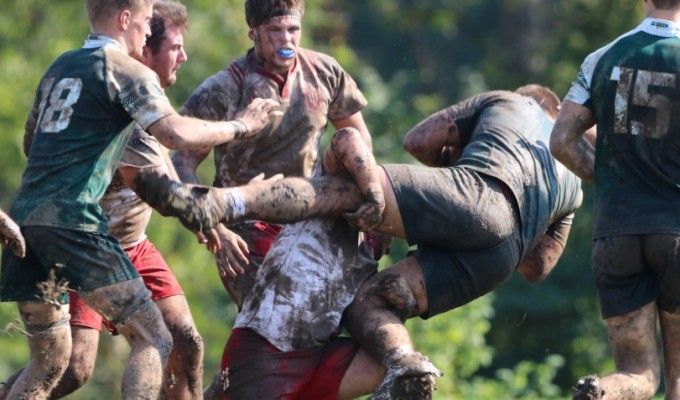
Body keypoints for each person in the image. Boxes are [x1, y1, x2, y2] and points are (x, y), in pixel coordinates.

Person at [138, 84, 584, 398]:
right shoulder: (574, 182)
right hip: (502, 255)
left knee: (345, 195)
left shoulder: (507, 101)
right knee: (374, 304)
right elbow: (537, 268)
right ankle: (404, 367)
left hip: (474, 191)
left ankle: (224, 202)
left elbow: (418, 141)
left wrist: (443, 169)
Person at [0, 0, 280, 398]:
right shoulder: (126, 70)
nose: (148, 33)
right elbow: (176, 135)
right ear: (125, 19)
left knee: (49, 362)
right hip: (75, 224)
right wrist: (243, 125)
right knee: (155, 338)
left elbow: (32, 142)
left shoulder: (60, 66)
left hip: (25, 222)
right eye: (147, 22)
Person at [171, 0, 371, 310]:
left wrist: (374, 209)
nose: (286, 39)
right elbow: (181, 162)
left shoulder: (325, 72)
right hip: (245, 227)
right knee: (269, 317)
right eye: (275, 31)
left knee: (342, 313)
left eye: (293, 29)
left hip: (311, 215)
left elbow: (358, 140)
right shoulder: (225, 89)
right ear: (253, 33)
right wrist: (211, 225)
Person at [550, 1, 680, 399]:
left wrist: (609, 180)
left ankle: (602, 392)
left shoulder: (602, 58)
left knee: (639, 373)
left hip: (616, 234)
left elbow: (561, 140)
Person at [221, 127, 390, 399]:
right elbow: (346, 137)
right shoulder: (330, 196)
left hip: (316, 356)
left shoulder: (369, 262)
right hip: (265, 350)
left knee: (390, 365)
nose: (393, 236)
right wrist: (375, 196)